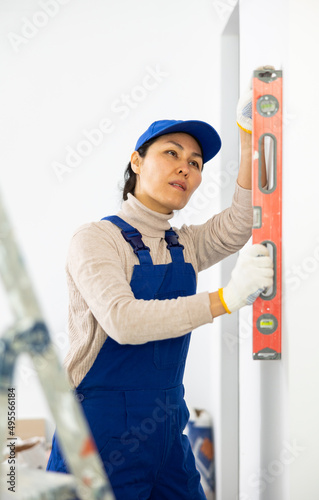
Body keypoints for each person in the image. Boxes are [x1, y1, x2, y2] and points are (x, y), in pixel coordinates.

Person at [46, 111, 273, 498]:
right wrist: (225, 300)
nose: (185, 168)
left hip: (165, 431)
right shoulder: (96, 239)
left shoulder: (183, 245)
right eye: (171, 153)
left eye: (195, 163)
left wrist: (250, 138)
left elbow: (240, 222)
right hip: (98, 435)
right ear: (136, 161)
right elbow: (123, 320)